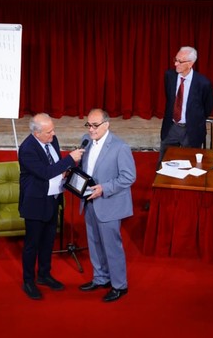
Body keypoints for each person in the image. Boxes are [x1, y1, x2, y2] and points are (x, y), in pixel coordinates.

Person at [18, 113, 84, 300]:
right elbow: (45, 172)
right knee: (32, 245)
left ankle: (44, 274)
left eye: (53, 130)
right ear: (36, 133)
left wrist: (65, 172)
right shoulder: (27, 149)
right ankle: (28, 281)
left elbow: (55, 165)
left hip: (53, 199)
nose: (53, 134)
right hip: (36, 203)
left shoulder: (51, 140)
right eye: (48, 132)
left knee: (48, 241)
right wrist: (70, 159)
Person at [78, 108, 136, 303]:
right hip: (89, 201)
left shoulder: (120, 147)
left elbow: (128, 177)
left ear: (106, 125)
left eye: (95, 125)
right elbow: (85, 168)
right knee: (94, 242)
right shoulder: (86, 141)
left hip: (109, 204)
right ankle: (100, 278)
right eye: (88, 125)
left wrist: (104, 188)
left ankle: (119, 285)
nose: (91, 129)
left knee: (112, 247)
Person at [159, 46, 213, 166]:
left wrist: (195, 120)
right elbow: (169, 99)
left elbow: (207, 108)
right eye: (175, 60)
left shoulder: (203, 83)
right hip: (171, 127)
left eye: (180, 61)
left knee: (189, 165)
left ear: (190, 64)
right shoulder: (169, 76)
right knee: (164, 163)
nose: (175, 64)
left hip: (191, 130)